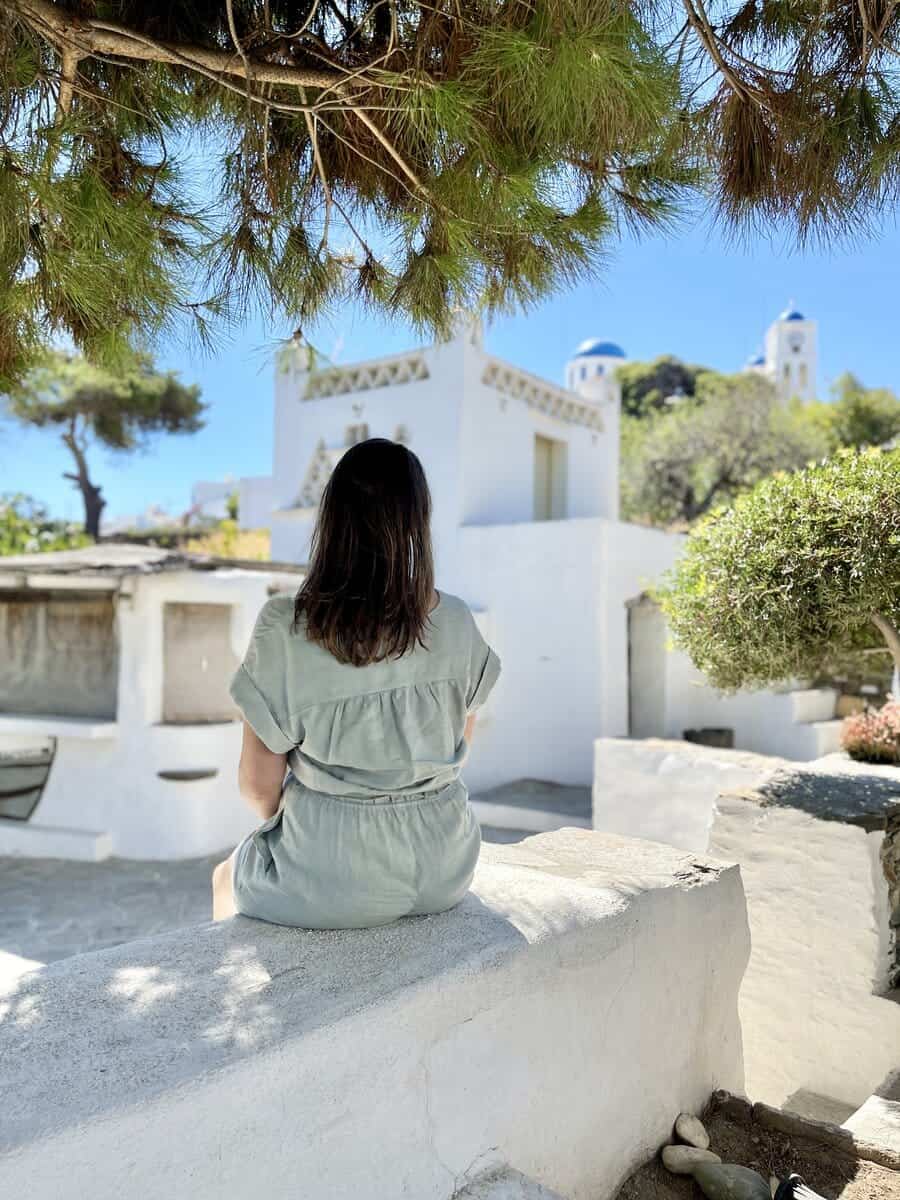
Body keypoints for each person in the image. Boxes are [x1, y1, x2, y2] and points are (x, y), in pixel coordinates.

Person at [212, 438, 501, 928]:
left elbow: (258, 787)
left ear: (332, 519)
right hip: (447, 864)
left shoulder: (285, 625)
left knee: (224, 877)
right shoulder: (455, 619)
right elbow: (458, 750)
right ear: (417, 522)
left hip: (333, 871)